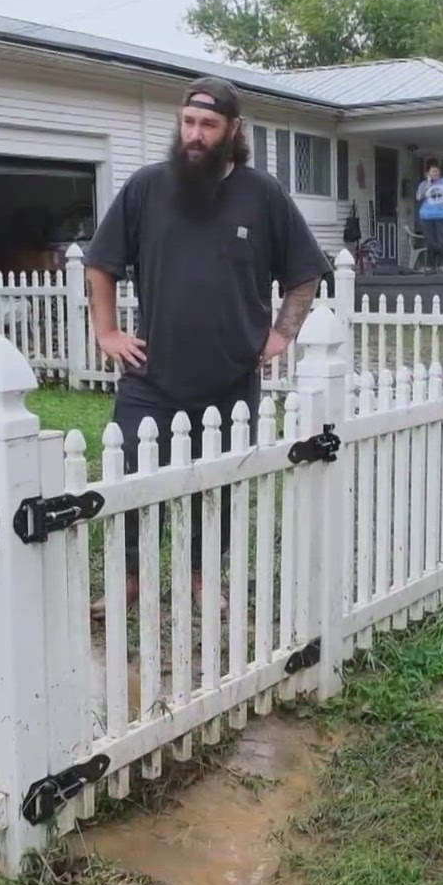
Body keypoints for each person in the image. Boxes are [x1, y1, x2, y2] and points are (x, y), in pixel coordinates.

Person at [85, 76, 328, 605]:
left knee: (215, 485)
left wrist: (283, 333)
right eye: (188, 122)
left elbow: (305, 273)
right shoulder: (147, 187)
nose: (194, 134)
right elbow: (101, 263)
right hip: (152, 376)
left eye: (208, 125)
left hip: (229, 379)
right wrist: (106, 332)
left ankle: (200, 579)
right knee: (130, 475)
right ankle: (129, 577)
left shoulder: (261, 195)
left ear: (233, 130)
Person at [416, 161, 443, 272]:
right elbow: (419, 197)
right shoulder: (423, 184)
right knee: (430, 242)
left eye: (437, 171)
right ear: (427, 173)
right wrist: (428, 183)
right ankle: (431, 267)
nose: (435, 173)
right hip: (427, 216)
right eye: (432, 171)